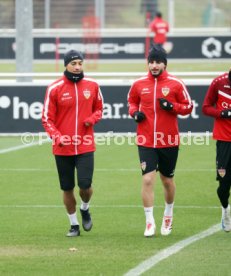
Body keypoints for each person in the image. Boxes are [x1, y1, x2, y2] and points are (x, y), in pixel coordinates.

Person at [127, 45, 193, 237]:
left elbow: (188, 106)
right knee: (148, 179)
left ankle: (168, 215)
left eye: (158, 62)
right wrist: (135, 113)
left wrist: (172, 106)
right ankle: (149, 222)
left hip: (168, 140)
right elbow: (131, 101)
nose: (154, 65)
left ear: (164, 63)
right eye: (151, 62)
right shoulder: (139, 83)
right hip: (146, 139)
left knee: (167, 180)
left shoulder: (175, 84)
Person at [42, 49, 103, 237]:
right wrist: (57, 136)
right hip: (62, 148)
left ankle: (85, 208)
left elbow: (100, 109)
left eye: (80, 64)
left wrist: (92, 119)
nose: (77, 67)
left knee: (85, 186)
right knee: (67, 188)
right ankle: (74, 225)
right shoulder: (55, 88)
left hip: (85, 145)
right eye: (73, 64)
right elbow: (46, 119)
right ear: (66, 65)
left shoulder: (92, 86)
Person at [202, 68, 231, 232]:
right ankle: (225, 209)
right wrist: (222, 113)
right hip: (224, 141)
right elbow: (206, 107)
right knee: (224, 184)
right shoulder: (219, 82)